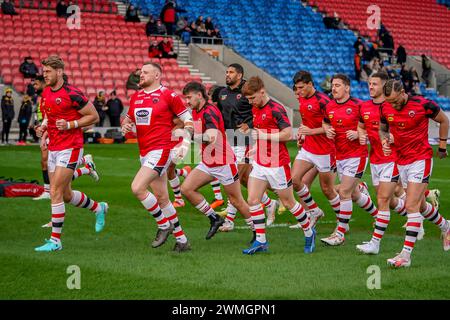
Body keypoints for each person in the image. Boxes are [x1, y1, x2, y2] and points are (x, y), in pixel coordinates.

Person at [34, 55, 108, 252]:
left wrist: (70, 124)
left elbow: (94, 116)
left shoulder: (73, 93)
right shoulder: (47, 92)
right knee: (65, 195)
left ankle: (55, 241)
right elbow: (50, 115)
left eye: (48, 71)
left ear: (59, 72)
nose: (45, 75)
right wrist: (44, 130)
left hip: (71, 147)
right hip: (54, 147)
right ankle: (98, 208)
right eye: (44, 72)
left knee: (55, 191)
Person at [121, 62, 193, 252]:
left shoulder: (168, 95)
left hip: (161, 150)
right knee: (162, 199)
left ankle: (163, 224)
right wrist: (125, 125)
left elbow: (188, 119)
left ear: (157, 76)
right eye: (140, 72)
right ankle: (182, 240)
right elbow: (128, 119)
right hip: (144, 152)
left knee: (137, 188)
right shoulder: (136, 97)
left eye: (145, 72)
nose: (141, 75)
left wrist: (185, 143)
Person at [241, 76, 316, 254]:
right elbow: (260, 133)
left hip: (277, 164)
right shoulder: (255, 108)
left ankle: (308, 232)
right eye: (248, 99)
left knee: (289, 202)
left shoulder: (276, 109)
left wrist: (263, 137)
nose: (250, 102)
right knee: (252, 200)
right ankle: (261, 242)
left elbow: (288, 134)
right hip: (260, 161)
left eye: (252, 98)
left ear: (262, 91)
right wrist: (255, 148)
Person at [380, 79, 450, 267]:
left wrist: (442, 146)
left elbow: (444, 120)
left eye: (395, 101)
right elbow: (383, 129)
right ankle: (446, 226)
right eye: (389, 102)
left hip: (421, 159)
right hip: (401, 161)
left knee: (410, 205)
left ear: (403, 92)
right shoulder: (385, 108)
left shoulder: (423, 104)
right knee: (418, 206)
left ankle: (405, 256)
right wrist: (385, 140)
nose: (392, 105)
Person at [356, 72, 424, 254]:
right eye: (369, 84)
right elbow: (362, 127)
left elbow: (404, 128)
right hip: (376, 158)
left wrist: (393, 139)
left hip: (393, 158)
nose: (371, 87)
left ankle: (375, 243)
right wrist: (361, 135)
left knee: (383, 200)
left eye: (375, 84)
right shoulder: (365, 106)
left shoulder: (395, 106)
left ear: (385, 86)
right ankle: (418, 219)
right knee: (391, 199)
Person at [180, 81, 256, 242]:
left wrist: (190, 136)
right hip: (208, 162)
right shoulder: (196, 111)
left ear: (199, 96)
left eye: (188, 97)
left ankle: (258, 232)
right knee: (187, 189)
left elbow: (212, 137)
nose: (186, 101)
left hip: (223, 163)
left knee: (236, 200)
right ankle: (214, 218)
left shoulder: (210, 112)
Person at [216, 64, 278, 231]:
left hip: (245, 141)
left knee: (232, 178)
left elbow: (258, 111)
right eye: (226, 72)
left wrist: (249, 125)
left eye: (231, 72)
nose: (227, 75)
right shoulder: (222, 93)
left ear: (240, 75)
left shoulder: (247, 91)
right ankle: (270, 203)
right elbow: (220, 115)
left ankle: (229, 220)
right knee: (243, 180)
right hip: (230, 139)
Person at [321, 74, 378, 246]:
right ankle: (377, 215)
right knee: (353, 194)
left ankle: (340, 233)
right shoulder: (329, 106)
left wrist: (359, 133)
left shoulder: (359, 105)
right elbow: (325, 122)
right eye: (333, 85)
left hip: (357, 156)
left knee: (344, 192)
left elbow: (374, 127)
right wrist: (327, 129)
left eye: (338, 85)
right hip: (340, 156)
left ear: (347, 88)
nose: (334, 88)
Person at [292, 71, 339, 228]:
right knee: (295, 180)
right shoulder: (302, 100)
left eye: (301, 88)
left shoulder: (323, 101)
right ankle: (313, 212)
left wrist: (310, 132)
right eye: (297, 88)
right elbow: (307, 124)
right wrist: (303, 136)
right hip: (308, 148)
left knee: (327, 189)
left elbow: (333, 127)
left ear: (310, 84)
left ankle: (342, 223)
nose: (298, 91)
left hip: (326, 151)